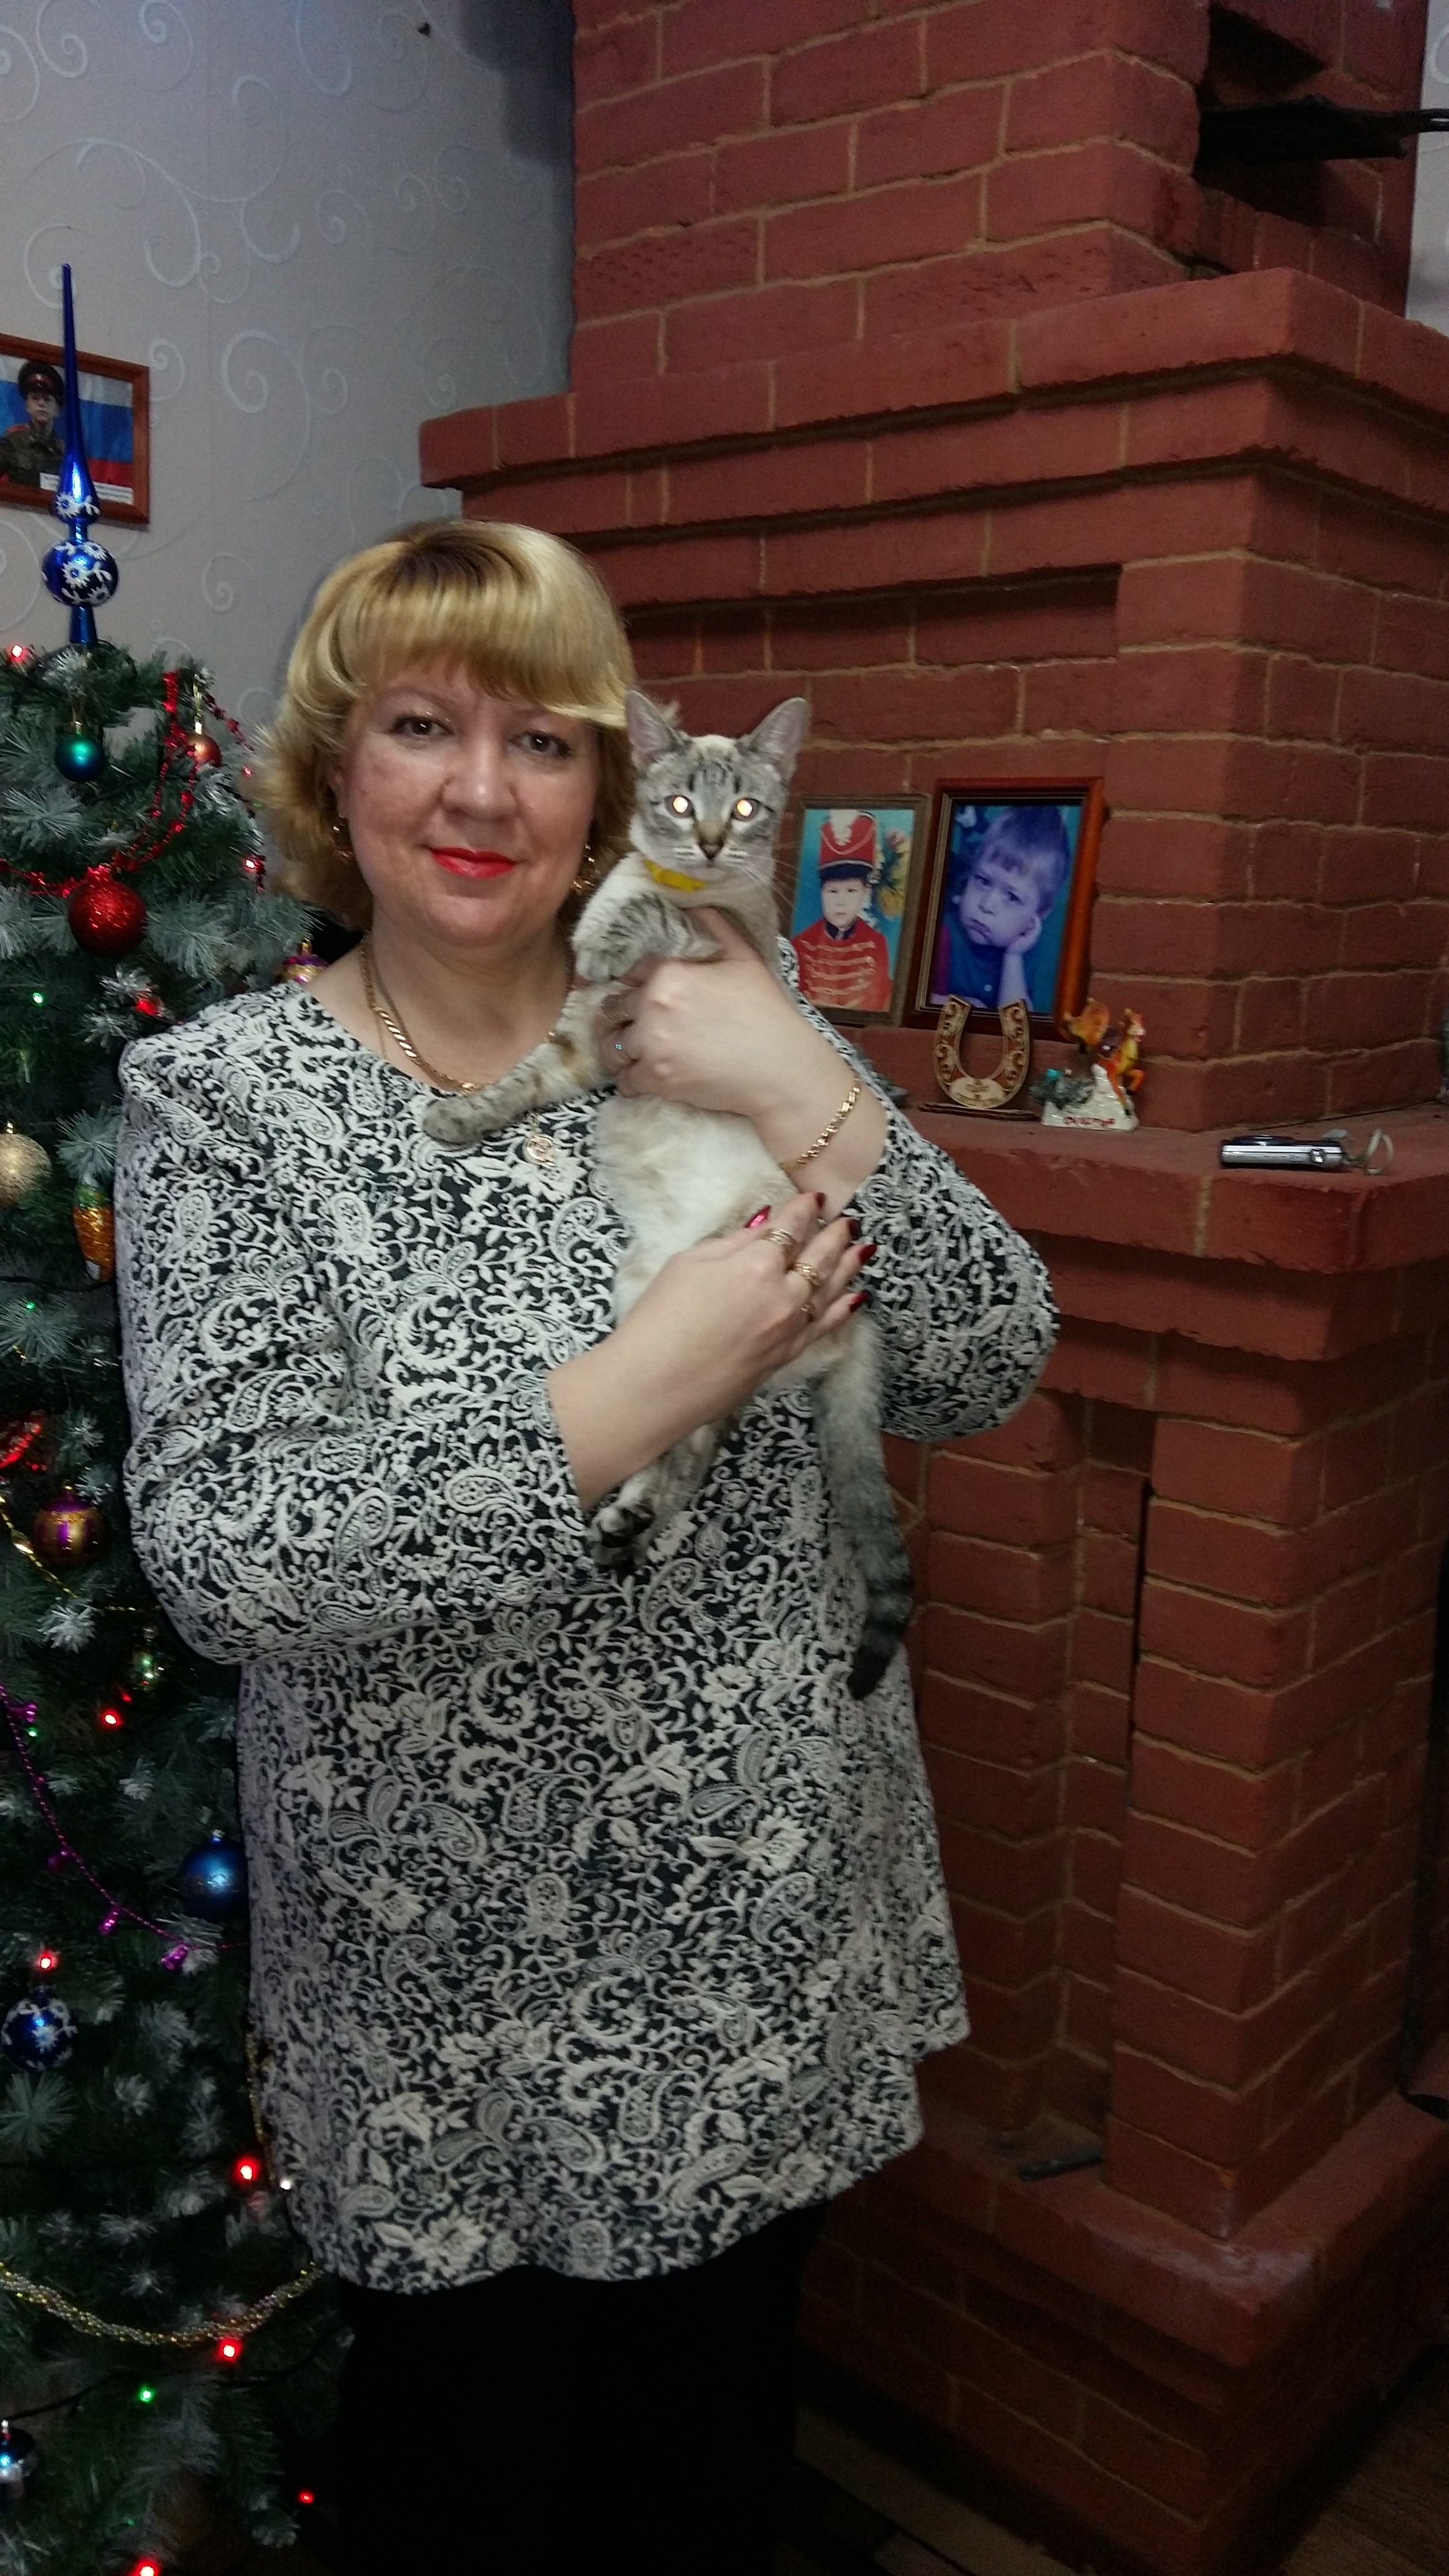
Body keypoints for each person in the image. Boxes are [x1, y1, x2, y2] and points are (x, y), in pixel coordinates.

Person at [112, 520, 1056, 2576]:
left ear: (605, 783)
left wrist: (805, 1077)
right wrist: (641, 1385)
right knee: (466, 2488)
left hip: (753, 1943)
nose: (482, 789)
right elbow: (231, 1552)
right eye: (422, 727)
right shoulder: (230, 1103)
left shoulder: (711, 1018)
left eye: (543, 740)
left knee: (701, 2477)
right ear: (335, 766)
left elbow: (987, 1354)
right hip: (446, 1994)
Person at [930, 802, 1071, 1014]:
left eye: (1012, 897)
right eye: (983, 881)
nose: (987, 905)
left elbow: (1017, 1024)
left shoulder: (1022, 948)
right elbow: (907, 999)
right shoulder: (942, 932)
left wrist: (1013, 957)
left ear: (1038, 915)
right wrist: (959, 1007)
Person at [791, 809, 894, 1013]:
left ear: (865, 893)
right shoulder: (800, 945)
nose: (841, 902)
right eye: (832, 891)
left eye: (851, 891)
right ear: (822, 893)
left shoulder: (876, 944)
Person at [0, 358, 64, 489]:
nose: (41, 404)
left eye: (47, 399)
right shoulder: (14, 440)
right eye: (35, 398)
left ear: (57, 410)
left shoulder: (64, 450)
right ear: (27, 406)